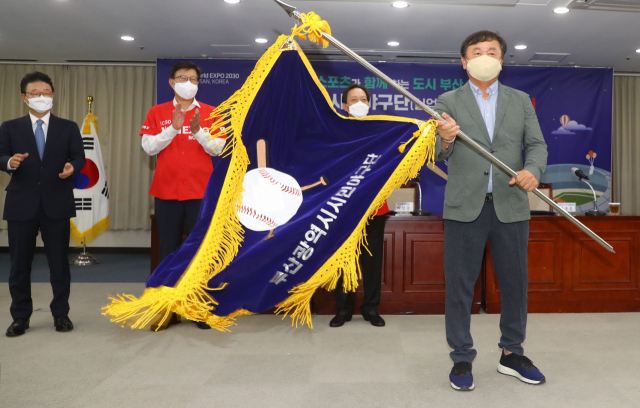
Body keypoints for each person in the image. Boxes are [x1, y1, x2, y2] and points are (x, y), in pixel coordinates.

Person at [434, 31, 548, 390]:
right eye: (477, 51)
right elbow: (436, 152)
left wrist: (533, 170)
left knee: (515, 283)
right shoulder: (447, 100)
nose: (485, 56)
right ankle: (461, 356)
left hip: (510, 205)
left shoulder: (520, 100)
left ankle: (512, 353)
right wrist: (446, 138)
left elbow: (537, 145)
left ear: (502, 60)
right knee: (459, 285)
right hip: (464, 207)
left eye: (492, 51)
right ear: (464, 61)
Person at [141, 61, 226, 330]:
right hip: (167, 191)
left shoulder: (210, 112)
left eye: (193, 79)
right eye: (182, 78)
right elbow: (149, 147)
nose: (188, 83)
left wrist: (198, 132)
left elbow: (219, 148)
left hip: (201, 193)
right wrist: (172, 128)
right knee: (168, 250)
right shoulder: (157, 112)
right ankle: (168, 309)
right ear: (171, 82)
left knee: (201, 250)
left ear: (198, 84)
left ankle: (198, 308)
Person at [1, 72, 86, 337]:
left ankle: (61, 314)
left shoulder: (68, 127)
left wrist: (73, 167)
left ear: (53, 95)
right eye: (36, 93)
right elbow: (1, 155)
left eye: (46, 92)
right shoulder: (10, 127)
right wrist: (9, 162)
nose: (42, 97)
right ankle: (20, 317)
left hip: (56, 202)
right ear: (24, 97)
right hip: (21, 203)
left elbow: (79, 157)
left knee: (59, 263)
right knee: (19, 265)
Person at [330, 84, 387, 328]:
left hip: (374, 207)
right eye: (354, 99)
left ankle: (371, 308)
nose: (360, 103)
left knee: (372, 261)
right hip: (344, 206)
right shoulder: (336, 131)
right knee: (342, 260)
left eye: (363, 99)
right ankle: (343, 309)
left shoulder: (382, 130)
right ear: (345, 106)